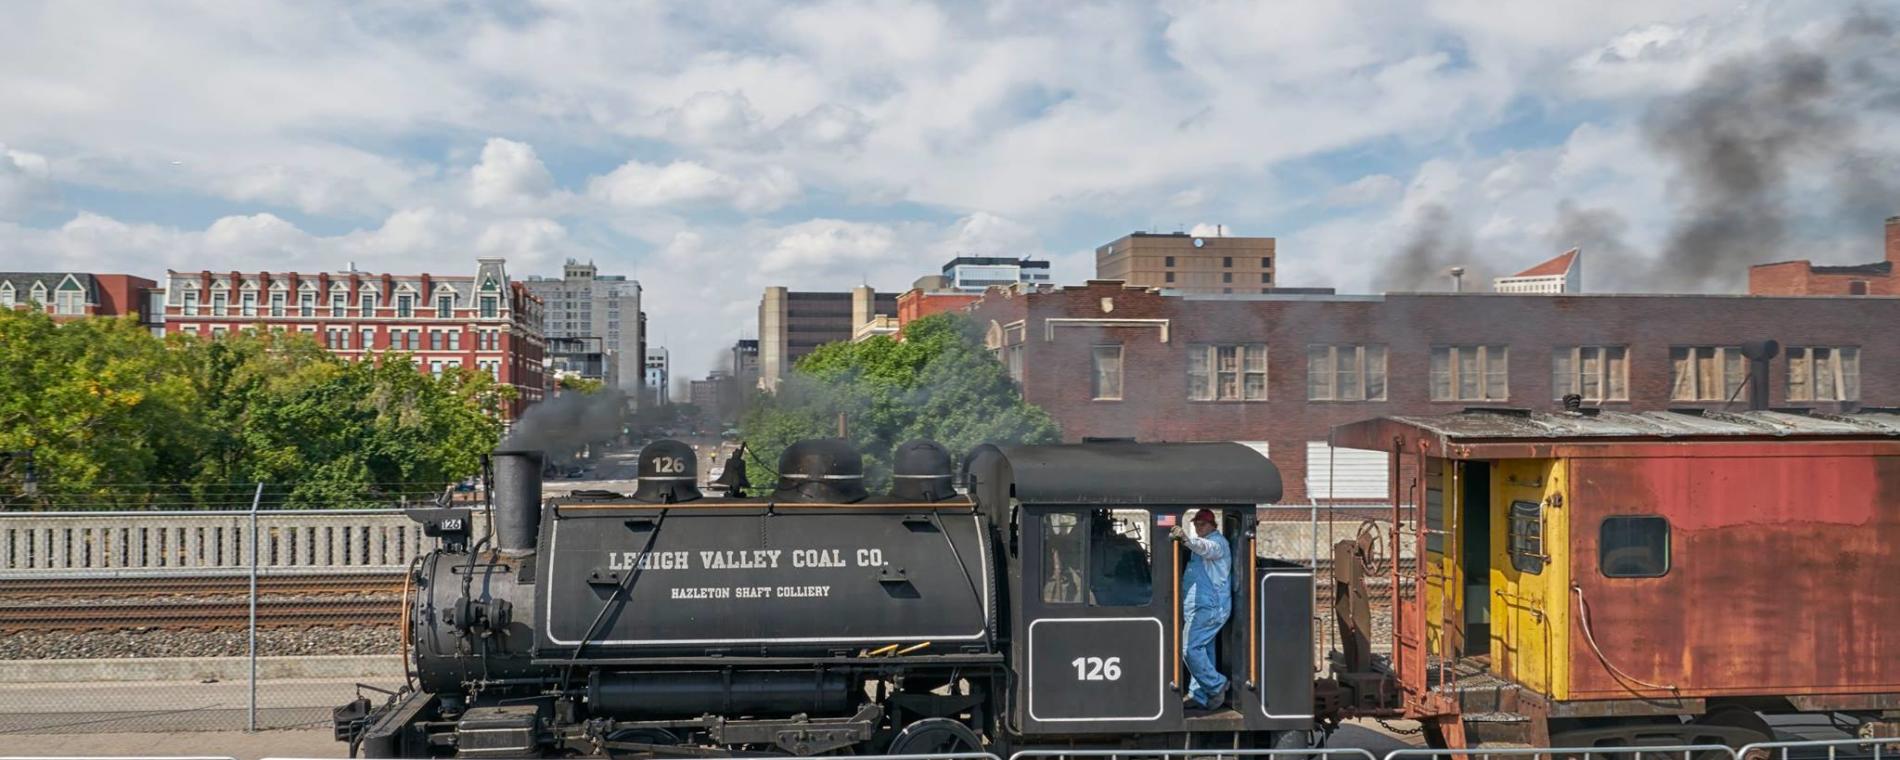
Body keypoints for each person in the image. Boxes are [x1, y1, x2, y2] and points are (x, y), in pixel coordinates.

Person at [1170, 508, 1229, 712]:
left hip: (1210, 608)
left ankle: (1216, 685)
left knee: (1190, 649)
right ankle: (1200, 695)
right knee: (1203, 650)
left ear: (1213, 525)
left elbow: (1205, 548)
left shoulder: (1217, 543)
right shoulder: (1199, 547)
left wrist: (1186, 539)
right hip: (1198, 608)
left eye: (1202, 524)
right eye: (1196, 523)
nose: (1198, 526)